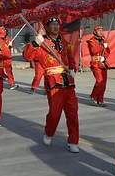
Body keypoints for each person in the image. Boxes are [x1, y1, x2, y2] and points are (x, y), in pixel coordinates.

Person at [23, 17, 80, 153]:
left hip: (68, 81)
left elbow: (70, 57)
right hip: (54, 81)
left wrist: (73, 68)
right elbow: (27, 56)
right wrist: (35, 43)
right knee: (55, 113)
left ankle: (73, 141)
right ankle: (49, 132)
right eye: (52, 24)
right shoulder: (43, 42)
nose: (55, 27)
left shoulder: (64, 42)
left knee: (73, 113)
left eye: (57, 24)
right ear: (46, 27)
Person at [87, 25, 110, 106]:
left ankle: (100, 100)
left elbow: (107, 52)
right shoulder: (91, 41)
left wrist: (106, 48)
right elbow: (94, 51)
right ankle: (94, 96)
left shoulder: (103, 40)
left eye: (101, 30)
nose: (101, 32)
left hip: (103, 63)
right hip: (95, 63)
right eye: (99, 30)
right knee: (100, 80)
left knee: (104, 82)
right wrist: (102, 46)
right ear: (95, 32)